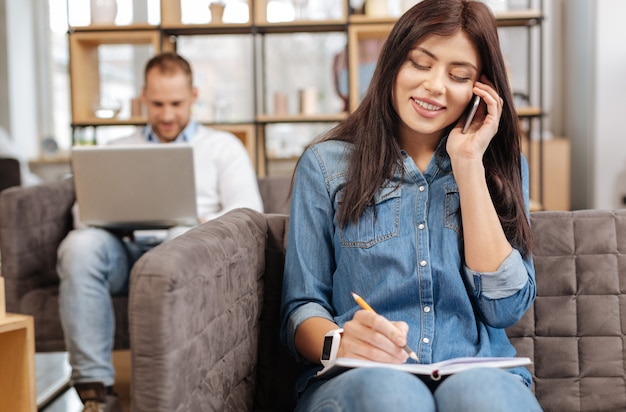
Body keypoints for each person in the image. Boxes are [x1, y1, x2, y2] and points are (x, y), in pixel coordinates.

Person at [279, 0, 543, 411]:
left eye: (458, 75)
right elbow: (301, 306)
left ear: (481, 89)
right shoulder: (326, 165)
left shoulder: (501, 169)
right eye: (420, 64)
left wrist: (469, 164)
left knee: (485, 398)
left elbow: (505, 307)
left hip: (479, 371)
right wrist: (341, 343)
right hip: (360, 376)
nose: (435, 86)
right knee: (391, 395)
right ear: (392, 64)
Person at [57, 52, 263, 412]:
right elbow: (82, 213)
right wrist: (112, 217)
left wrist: (197, 224)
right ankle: (96, 394)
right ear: (142, 98)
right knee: (79, 246)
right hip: (126, 251)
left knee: (176, 241)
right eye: (157, 104)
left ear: (194, 96)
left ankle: (166, 395)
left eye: (176, 103)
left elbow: (250, 213)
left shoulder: (223, 148)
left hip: (185, 255)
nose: (166, 115)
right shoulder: (118, 150)